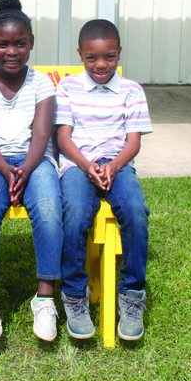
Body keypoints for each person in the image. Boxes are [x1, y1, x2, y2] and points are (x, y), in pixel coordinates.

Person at [0, 0, 63, 343]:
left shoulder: (40, 83)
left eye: (20, 44)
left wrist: (23, 168)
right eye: (3, 44)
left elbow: (41, 134)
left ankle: (46, 297)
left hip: (35, 160)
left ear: (31, 44)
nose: (12, 51)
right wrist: (7, 171)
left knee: (51, 209)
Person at [56, 19, 153, 341]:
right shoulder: (68, 87)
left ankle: (132, 294)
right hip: (77, 164)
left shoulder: (131, 90)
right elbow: (63, 138)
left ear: (119, 54)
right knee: (74, 211)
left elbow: (134, 141)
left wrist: (113, 165)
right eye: (92, 58)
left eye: (109, 57)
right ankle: (74, 294)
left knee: (135, 210)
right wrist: (86, 166)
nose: (101, 65)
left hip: (118, 165)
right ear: (81, 55)